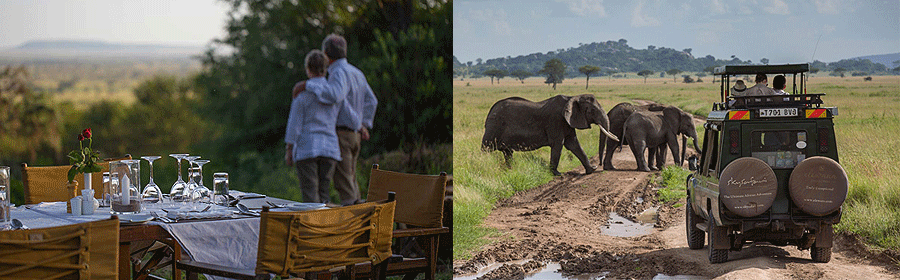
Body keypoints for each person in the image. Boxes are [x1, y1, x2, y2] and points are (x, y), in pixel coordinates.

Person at [293, 34, 378, 206]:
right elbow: (372, 101)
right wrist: (363, 124)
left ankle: (356, 227)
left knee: (345, 186)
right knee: (351, 181)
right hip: (355, 135)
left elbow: (335, 95)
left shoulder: (337, 73)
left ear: (325, 54)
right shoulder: (357, 73)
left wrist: (306, 85)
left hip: (340, 134)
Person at [284, 50, 348, 203]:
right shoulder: (334, 94)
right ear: (326, 69)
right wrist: (360, 126)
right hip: (330, 148)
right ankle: (325, 226)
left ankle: (312, 227)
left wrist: (289, 149)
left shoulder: (302, 95)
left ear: (308, 69)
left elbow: (295, 124)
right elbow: (347, 114)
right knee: (324, 194)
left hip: (308, 147)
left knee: (310, 194)